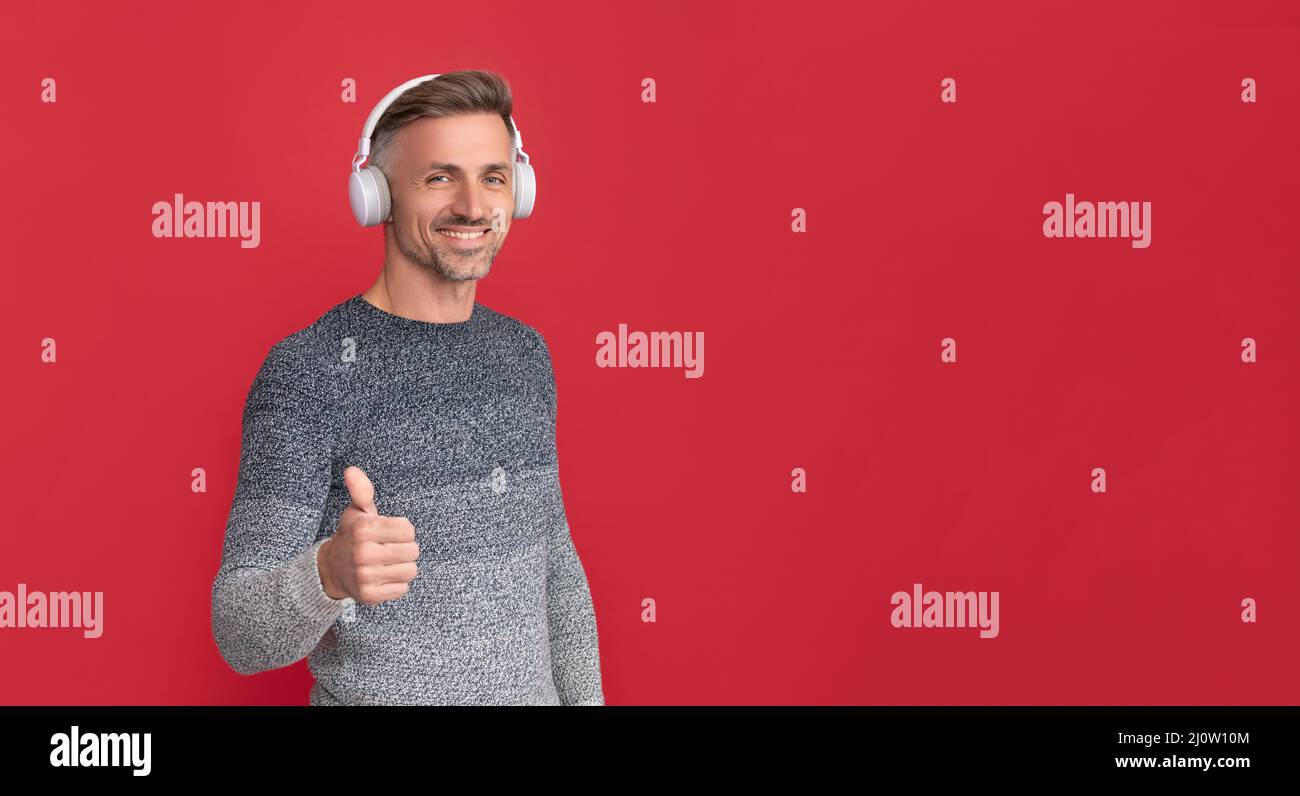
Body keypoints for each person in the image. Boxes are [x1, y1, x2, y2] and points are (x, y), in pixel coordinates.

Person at [209, 69, 604, 705]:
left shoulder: (525, 355)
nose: (473, 206)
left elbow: (555, 564)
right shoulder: (306, 371)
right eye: (440, 177)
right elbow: (239, 632)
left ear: (519, 191)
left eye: (494, 177)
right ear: (378, 195)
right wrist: (328, 574)